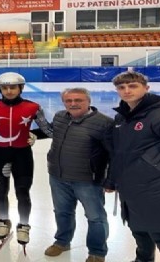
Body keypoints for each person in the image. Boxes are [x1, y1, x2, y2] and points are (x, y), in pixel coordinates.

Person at [104, 71, 160, 262]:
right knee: (139, 230)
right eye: (121, 87)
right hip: (130, 186)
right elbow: (118, 153)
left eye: (133, 86)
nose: (127, 91)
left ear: (146, 88)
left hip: (157, 186)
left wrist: (159, 164)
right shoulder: (122, 118)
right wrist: (112, 180)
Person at [0, 72, 52, 244]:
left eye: (12, 87)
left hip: (22, 155)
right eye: (4, 87)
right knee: (0, 190)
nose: (8, 91)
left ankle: (24, 225)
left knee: (22, 191)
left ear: (21, 88)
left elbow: (48, 129)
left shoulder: (34, 107)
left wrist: (35, 134)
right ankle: (3, 220)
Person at [45, 88, 112, 262]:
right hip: (58, 176)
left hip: (88, 180)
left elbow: (114, 153)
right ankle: (62, 242)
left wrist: (111, 179)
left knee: (95, 217)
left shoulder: (103, 123)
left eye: (78, 100)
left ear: (88, 101)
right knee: (62, 212)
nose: (73, 104)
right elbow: (52, 132)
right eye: (69, 101)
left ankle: (97, 252)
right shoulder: (60, 117)